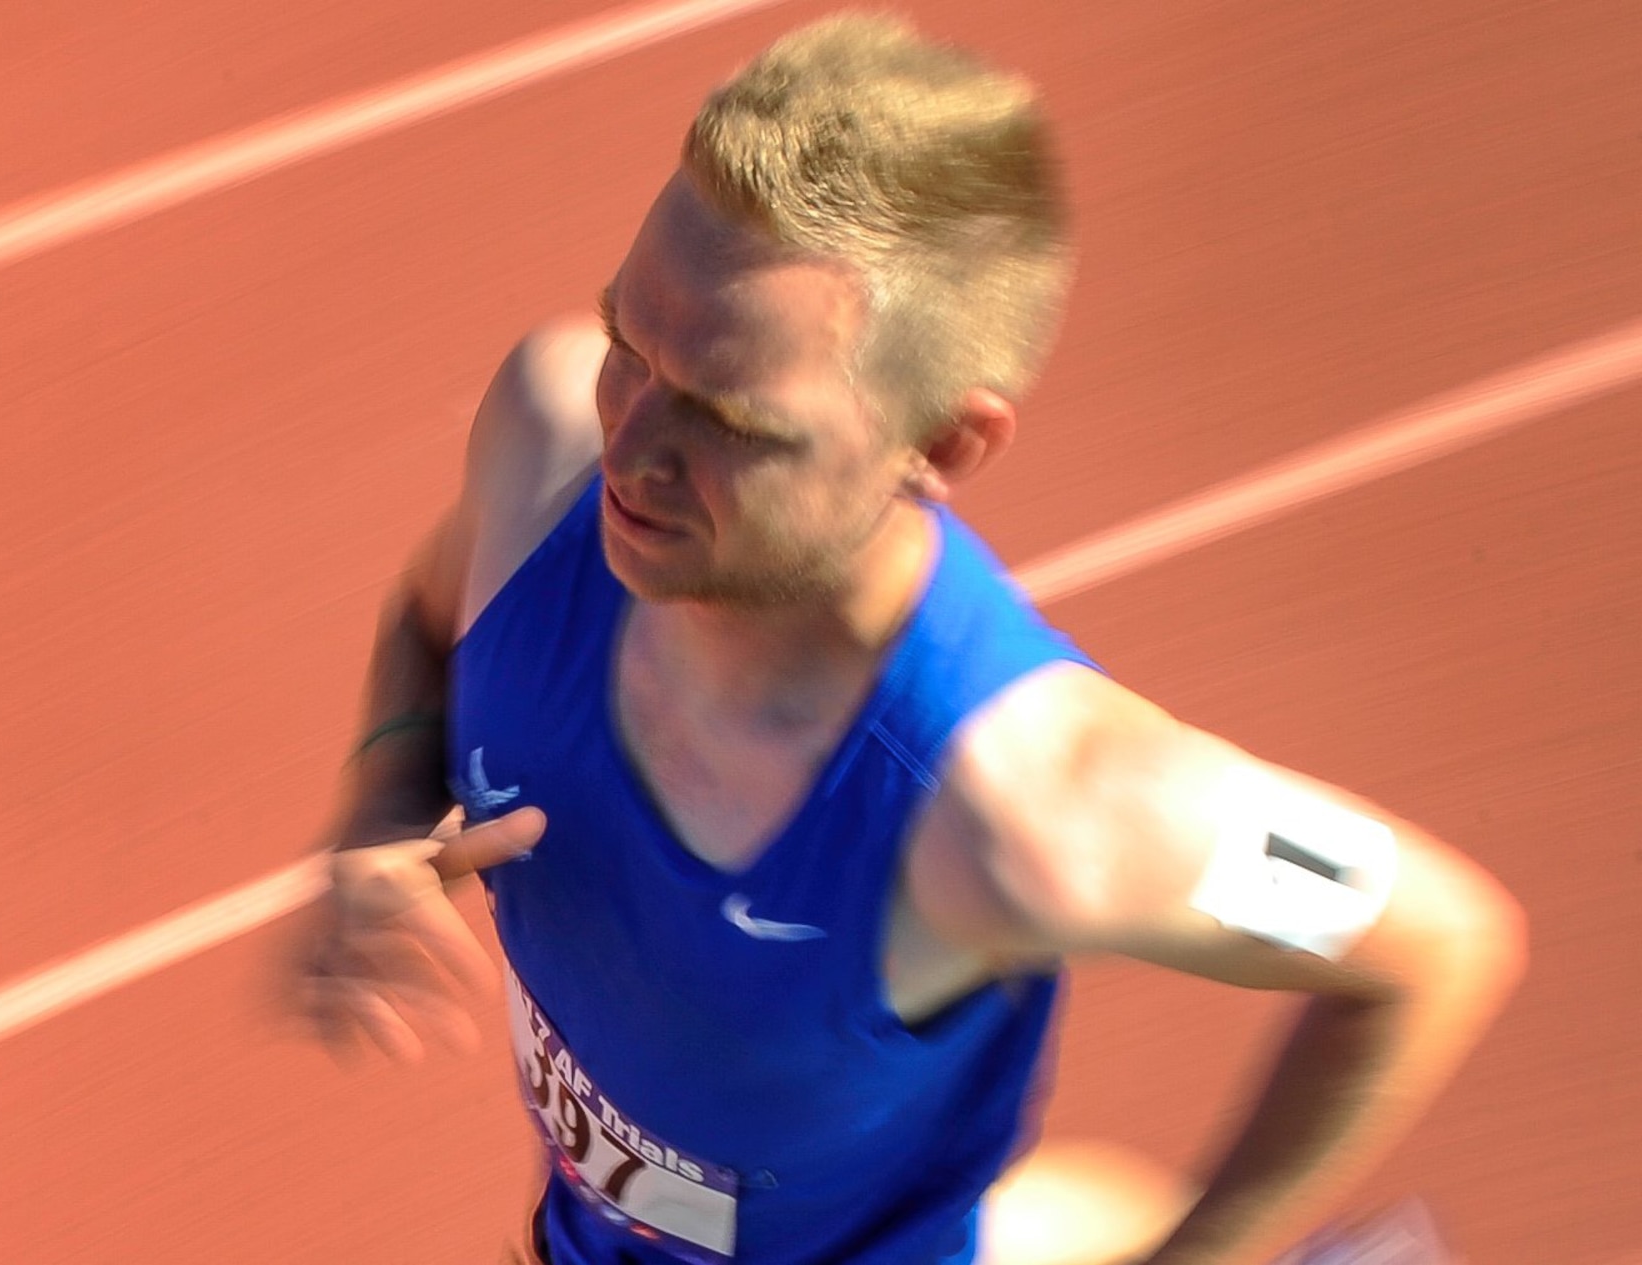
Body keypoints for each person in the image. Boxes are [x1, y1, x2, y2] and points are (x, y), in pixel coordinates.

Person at [290, 14, 1525, 1264]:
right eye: (628, 342)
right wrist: (383, 802)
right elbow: (428, 615)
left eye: (726, 415)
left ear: (939, 446)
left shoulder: (1031, 807)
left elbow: (1439, 944)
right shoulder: (547, 450)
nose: (632, 444)